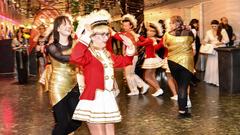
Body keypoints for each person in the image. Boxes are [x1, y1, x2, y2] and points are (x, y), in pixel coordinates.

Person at [70, 10, 135, 135]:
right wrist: (85, 36)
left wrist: (130, 47)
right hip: (94, 99)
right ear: (92, 36)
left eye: (107, 34)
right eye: (102, 34)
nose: (106, 38)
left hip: (107, 97)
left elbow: (124, 61)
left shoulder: (106, 53)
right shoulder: (88, 53)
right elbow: (75, 57)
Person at [46, 16, 81, 135]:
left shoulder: (76, 43)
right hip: (57, 87)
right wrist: (81, 55)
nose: (69, 26)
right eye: (65, 24)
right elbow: (63, 58)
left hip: (74, 85)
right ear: (58, 28)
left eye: (70, 24)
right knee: (62, 123)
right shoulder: (51, 47)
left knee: (77, 120)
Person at [163, 16, 195, 118]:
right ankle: (183, 112)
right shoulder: (189, 33)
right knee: (183, 86)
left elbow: (165, 45)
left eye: (170, 23)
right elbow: (192, 41)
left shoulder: (167, 35)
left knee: (179, 84)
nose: (169, 25)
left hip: (172, 62)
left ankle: (182, 110)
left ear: (175, 24)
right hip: (186, 62)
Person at [119, 14, 149, 96]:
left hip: (131, 56)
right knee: (130, 74)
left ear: (131, 26)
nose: (124, 27)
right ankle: (141, 86)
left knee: (128, 74)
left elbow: (132, 47)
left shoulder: (131, 34)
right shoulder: (130, 34)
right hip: (131, 56)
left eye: (126, 26)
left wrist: (127, 54)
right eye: (123, 25)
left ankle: (135, 89)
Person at [136, 21, 165, 97]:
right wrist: (138, 36)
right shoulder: (152, 39)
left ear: (155, 32)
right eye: (148, 30)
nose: (148, 32)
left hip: (150, 59)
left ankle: (158, 89)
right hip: (153, 58)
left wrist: (136, 38)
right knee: (152, 76)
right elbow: (144, 40)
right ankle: (158, 89)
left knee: (146, 77)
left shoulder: (150, 39)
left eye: (151, 31)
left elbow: (140, 43)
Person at [203, 20, 229, 86]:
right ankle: (211, 80)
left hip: (220, 49)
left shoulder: (222, 30)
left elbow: (227, 40)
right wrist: (203, 41)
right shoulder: (208, 32)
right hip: (212, 49)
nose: (214, 27)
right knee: (211, 65)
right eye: (212, 26)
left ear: (218, 25)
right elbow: (206, 40)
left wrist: (219, 43)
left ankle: (219, 81)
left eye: (215, 26)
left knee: (218, 65)